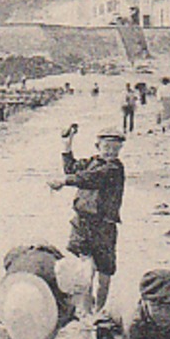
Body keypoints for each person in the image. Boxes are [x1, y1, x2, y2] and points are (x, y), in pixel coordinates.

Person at [49, 125, 125, 310]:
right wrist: (67, 146)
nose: (110, 152)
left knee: (104, 274)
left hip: (104, 226)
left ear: (120, 149)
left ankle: (99, 310)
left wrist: (64, 182)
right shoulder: (93, 161)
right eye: (106, 147)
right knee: (85, 270)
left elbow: (91, 178)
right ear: (97, 146)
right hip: (82, 223)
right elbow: (72, 169)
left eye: (115, 148)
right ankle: (86, 310)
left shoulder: (114, 168)